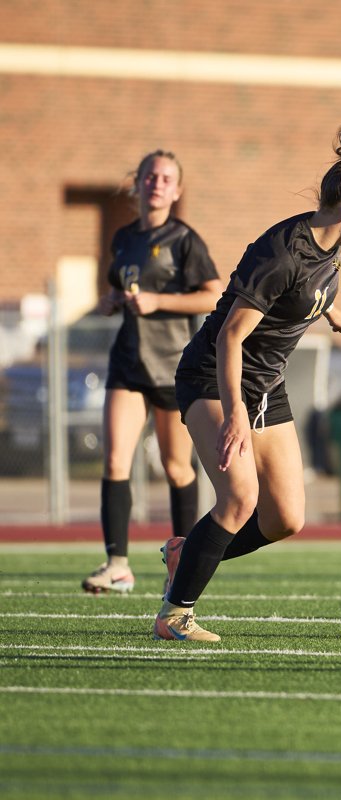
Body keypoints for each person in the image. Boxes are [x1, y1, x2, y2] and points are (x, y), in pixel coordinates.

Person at [153, 125, 341, 641]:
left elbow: (302, 293)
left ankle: (184, 552)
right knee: (239, 498)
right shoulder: (282, 250)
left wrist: (331, 311)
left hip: (264, 385)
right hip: (215, 378)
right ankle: (175, 614)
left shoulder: (328, 249)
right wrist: (236, 412)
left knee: (285, 517)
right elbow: (230, 339)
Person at [81, 150, 222, 595]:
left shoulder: (184, 239)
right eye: (150, 176)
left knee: (176, 468)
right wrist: (109, 301)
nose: (157, 183)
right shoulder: (123, 237)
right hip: (128, 363)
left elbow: (213, 296)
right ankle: (117, 564)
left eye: (166, 178)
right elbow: (116, 287)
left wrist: (159, 302)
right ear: (137, 183)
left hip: (173, 367)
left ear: (176, 190)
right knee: (115, 459)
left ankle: (179, 565)